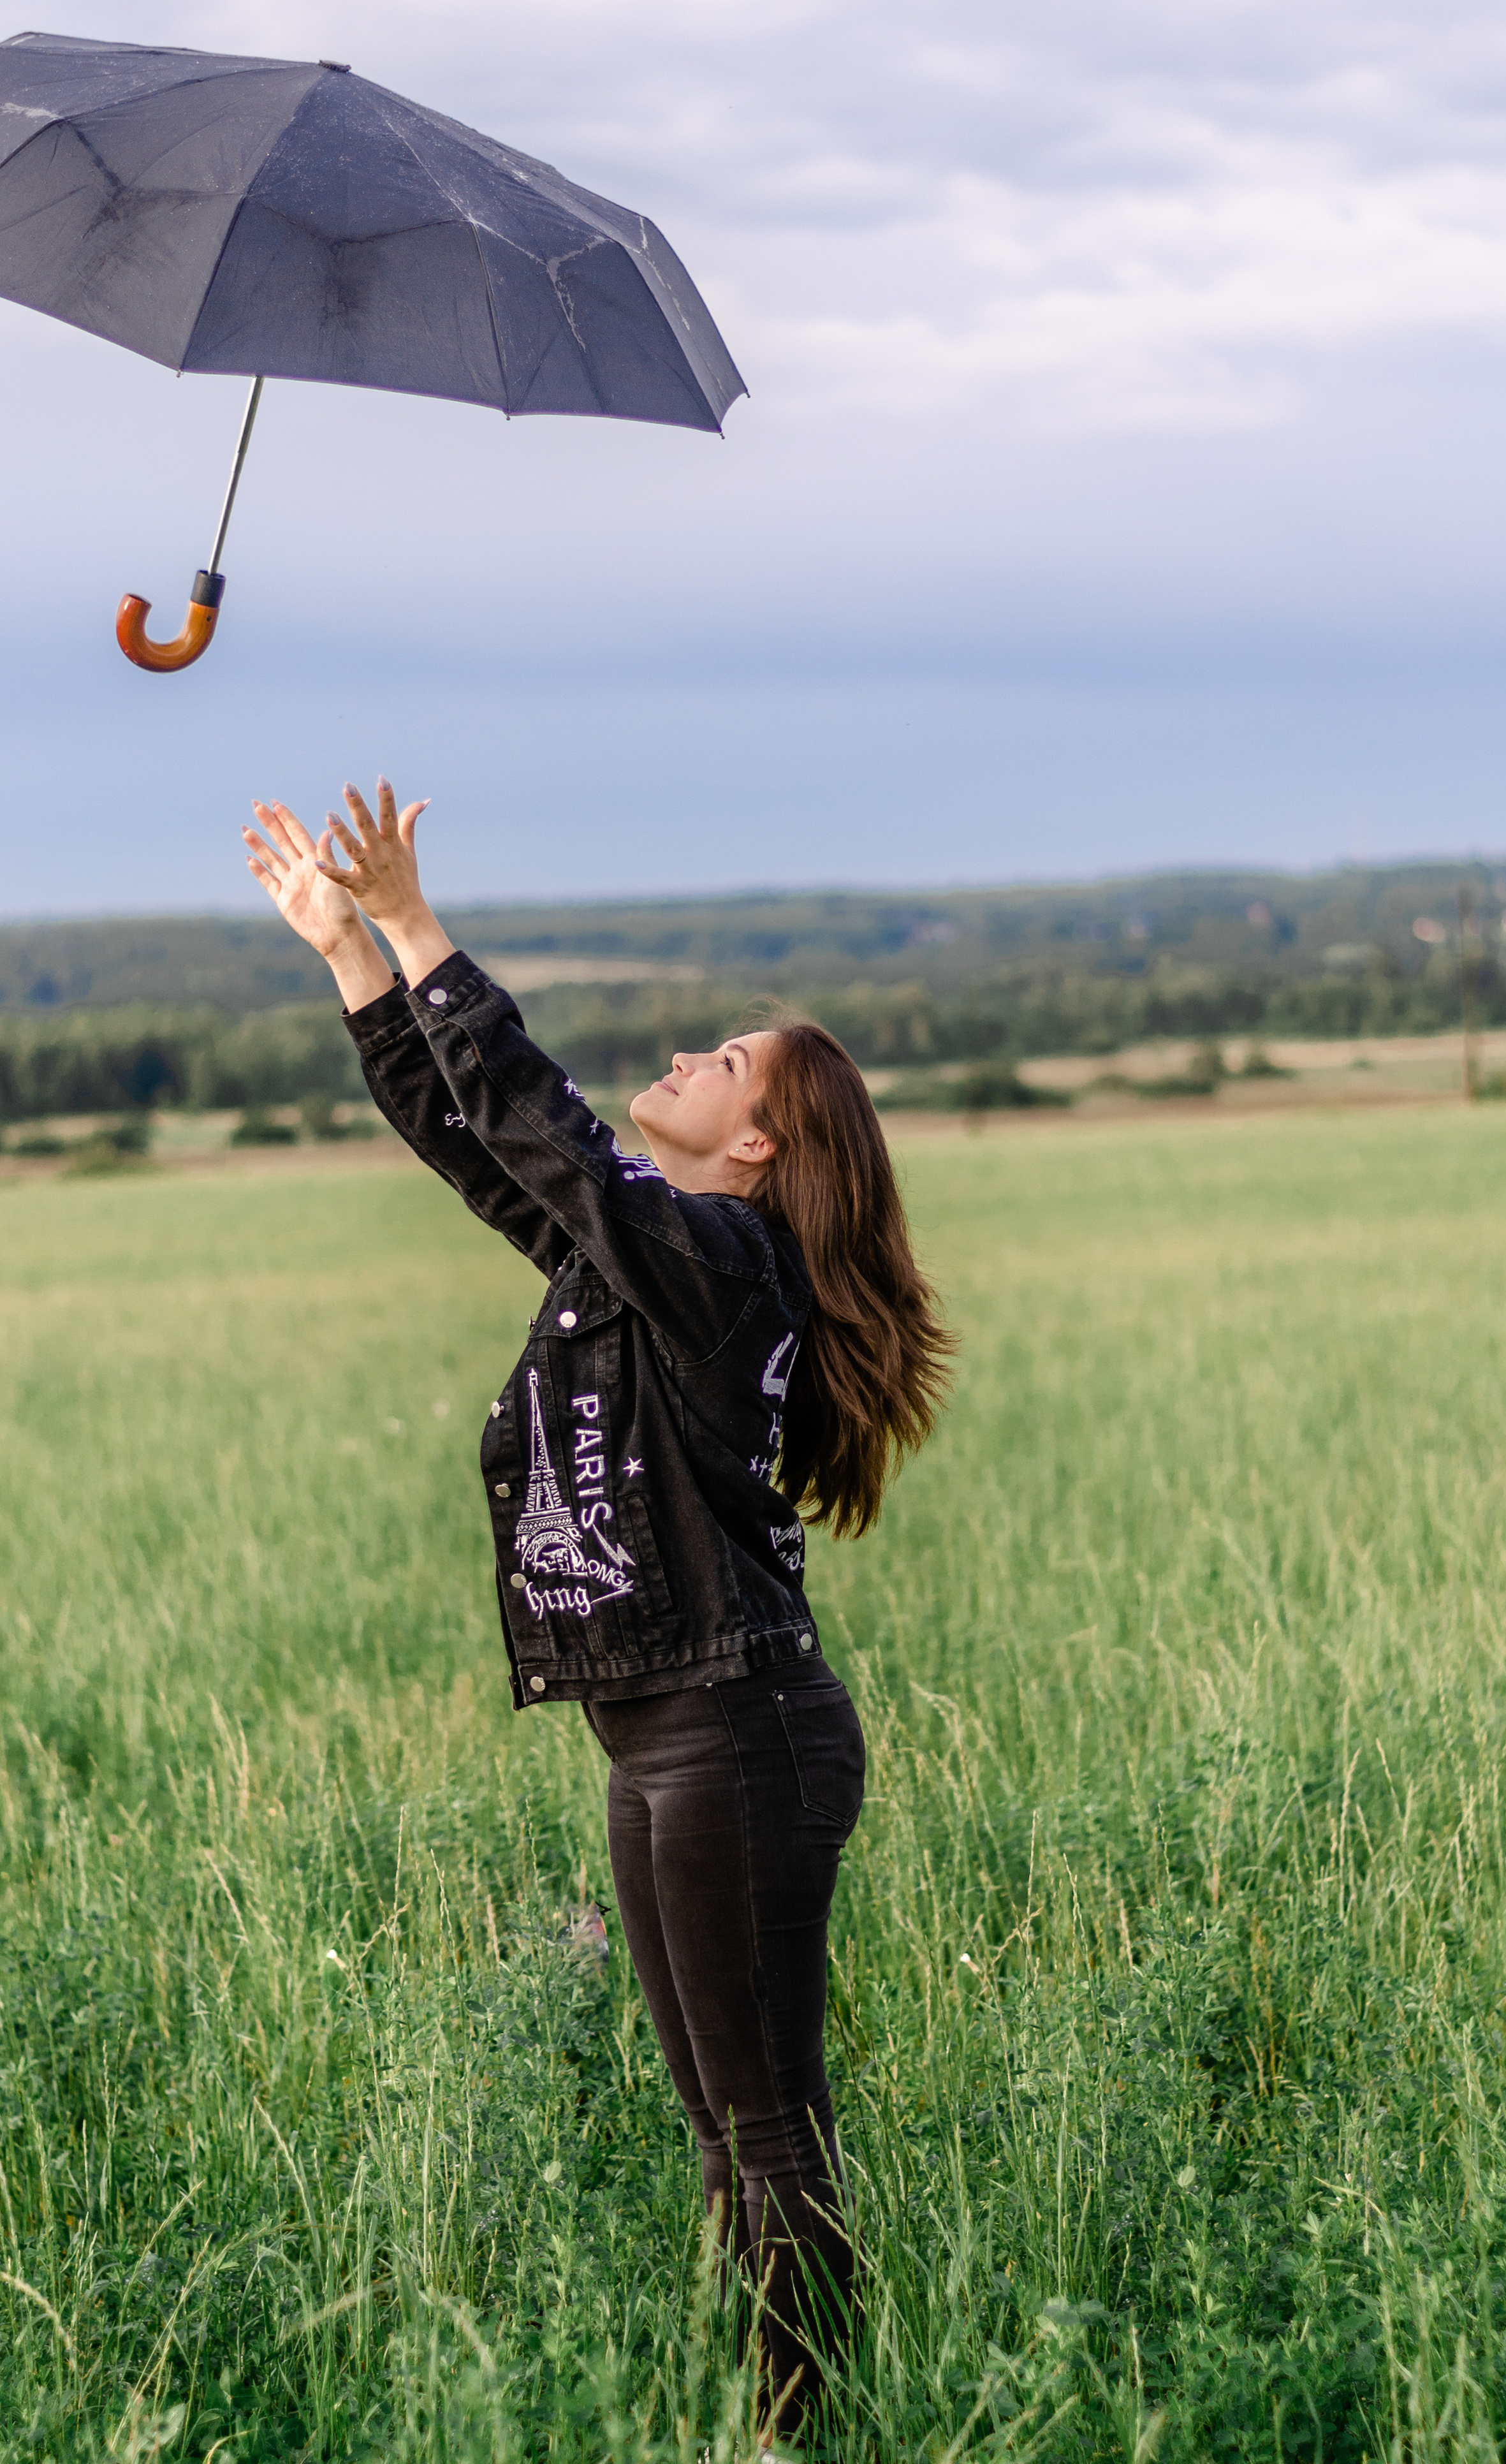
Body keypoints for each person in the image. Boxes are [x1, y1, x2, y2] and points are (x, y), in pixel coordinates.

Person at [242, 780, 955, 2438]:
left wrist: (423, 929)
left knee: (765, 2128)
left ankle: (808, 2426)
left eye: (724, 1065)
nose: (691, 1062)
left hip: (737, 1735)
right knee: (724, 2130)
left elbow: (552, 1134)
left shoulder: (725, 1263)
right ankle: (781, 2404)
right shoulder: (659, 1258)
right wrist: (355, 961)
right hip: (673, 1734)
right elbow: (491, 1154)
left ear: (758, 1144)